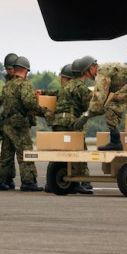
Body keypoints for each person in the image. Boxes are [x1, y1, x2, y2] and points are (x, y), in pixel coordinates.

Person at [0, 56, 47, 192]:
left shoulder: (7, 85)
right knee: (26, 153)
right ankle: (28, 182)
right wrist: (44, 111)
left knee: (6, 154)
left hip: (6, 124)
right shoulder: (24, 84)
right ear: (24, 70)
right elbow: (28, 103)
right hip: (19, 125)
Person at [44, 62, 93, 194]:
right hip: (70, 122)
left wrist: (41, 92)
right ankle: (81, 182)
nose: (61, 80)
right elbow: (89, 105)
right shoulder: (80, 87)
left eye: (63, 77)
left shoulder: (64, 88)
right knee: (79, 150)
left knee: (58, 152)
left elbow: (52, 94)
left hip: (58, 122)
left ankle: (51, 182)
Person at [0, 53, 19, 190]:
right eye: (8, 69)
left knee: (9, 153)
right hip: (12, 122)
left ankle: (7, 178)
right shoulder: (13, 82)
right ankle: (1, 180)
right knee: (9, 153)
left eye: (11, 68)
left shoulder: (14, 81)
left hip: (13, 121)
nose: (10, 71)